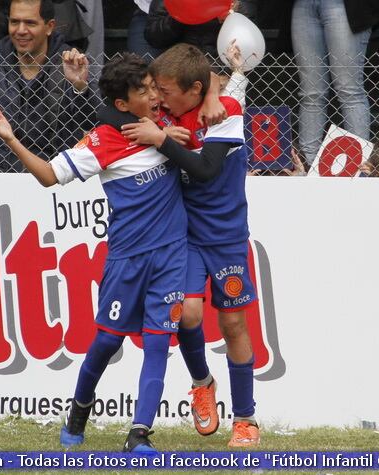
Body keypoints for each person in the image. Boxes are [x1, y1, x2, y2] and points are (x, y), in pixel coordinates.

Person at [0, 53, 186, 453]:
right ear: (122, 105)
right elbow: (48, 176)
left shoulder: (165, 123)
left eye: (153, 87)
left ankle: (139, 433)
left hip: (171, 256)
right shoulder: (101, 142)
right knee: (107, 342)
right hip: (126, 261)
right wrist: (10, 138)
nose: (154, 94)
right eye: (144, 91)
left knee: (158, 343)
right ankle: (79, 409)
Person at [121, 43, 260, 447]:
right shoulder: (164, 113)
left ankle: (246, 419)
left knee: (233, 323)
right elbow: (117, 114)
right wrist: (163, 129)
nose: (158, 98)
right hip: (183, 235)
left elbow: (204, 170)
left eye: (165, 91)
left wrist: (163, 139)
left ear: (193, 89)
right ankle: (203, 383)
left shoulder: (225, 112)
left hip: (227, 238)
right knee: (188, 316)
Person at [0, 0, 100, 172]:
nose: (21, 30)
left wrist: (80, 87)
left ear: (50, 26)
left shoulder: (72, 61)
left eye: (30, 23)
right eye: (14, 22)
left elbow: (96, 122)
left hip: (57, 179)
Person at [291, 0, 379, 167]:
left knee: (349, 90)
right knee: (311, 93)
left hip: (343, 5)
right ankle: (306, 167)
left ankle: (358, 167)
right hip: (304, 5)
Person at [144, 0, 258, 57]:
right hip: (180, 71)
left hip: (221, 69)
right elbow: (154, 38)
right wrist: (180, 15)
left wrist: (232, 15)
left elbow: (248, 44)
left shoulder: (235, 4)